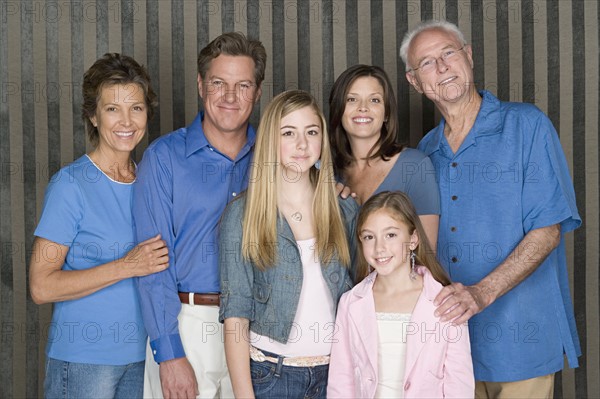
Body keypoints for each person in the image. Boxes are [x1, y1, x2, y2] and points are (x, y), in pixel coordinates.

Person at [400, 20, 581, 397]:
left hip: (521, 343)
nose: (443, 66)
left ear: (468, 55)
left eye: (449, 52)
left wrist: (482, 293)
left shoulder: (527, 126)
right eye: (427, 63)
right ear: (415, 82)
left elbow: (548, 229)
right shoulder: (425, 152)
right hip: (451, 350)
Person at [132, 32, 266, 398]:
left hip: (260, 327)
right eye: (219, 83)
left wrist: (334, 187)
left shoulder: (277, 156)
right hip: (187, 324)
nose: (230, 97)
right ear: (200, 84)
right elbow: (152, 265)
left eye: (243, 85)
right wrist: (169, 354)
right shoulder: (163, 159)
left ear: (256, 93)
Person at [29, 53, 168, 398]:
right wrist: (126, 266)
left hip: (142, 358)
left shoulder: (150, 181)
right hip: (84, 363)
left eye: (136, 108)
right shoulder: (71, 185)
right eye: (112, 109)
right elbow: (41, 286)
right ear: (93, 116)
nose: (126, 121)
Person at [219, 90, 358, 399]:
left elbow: (366, 293)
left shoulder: (344, 208)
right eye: (288, 133)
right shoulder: (243, 216)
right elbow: (236, 316)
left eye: (312, 132)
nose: (302, 144)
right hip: (272, 375)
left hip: (338, 375)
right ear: (271, 140)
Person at [327, 191, 474, 398]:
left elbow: (458, 384)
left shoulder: (446, 302)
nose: (379, 248)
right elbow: (341, 382)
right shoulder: (351, 302)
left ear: (413, 239)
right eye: (369, 237)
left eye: (391, 235)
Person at [329, 64, 440, 248]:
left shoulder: (415, 166)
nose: (363, 108)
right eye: (351, 99)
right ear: (339, 110)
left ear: (387, 113)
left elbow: (427, 255)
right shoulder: (329, 175)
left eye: (374, 100)